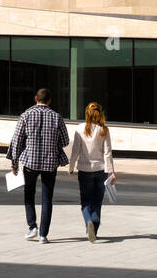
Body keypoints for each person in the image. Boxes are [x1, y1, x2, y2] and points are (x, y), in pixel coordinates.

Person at [7, 87, 69, 244]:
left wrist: (14, 163)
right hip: (50, 163)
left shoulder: (26, 115)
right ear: (49, 100)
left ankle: (32, 227)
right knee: (47, 197)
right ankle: (43, 235)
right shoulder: (57, 117)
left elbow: (17, 140)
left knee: (29, 194)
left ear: (36, 98)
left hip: (30, 162)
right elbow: (65, 141)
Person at [69, 101, 115, 242]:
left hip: (84, 169)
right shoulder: (104, 130)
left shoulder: (80, 128)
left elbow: (75, 150)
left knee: (85, 200)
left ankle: (88, 220)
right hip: (100, 169)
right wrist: (111, 171)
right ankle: (94, 227)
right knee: (97, 201)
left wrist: (71, 166)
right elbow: (107, 153)